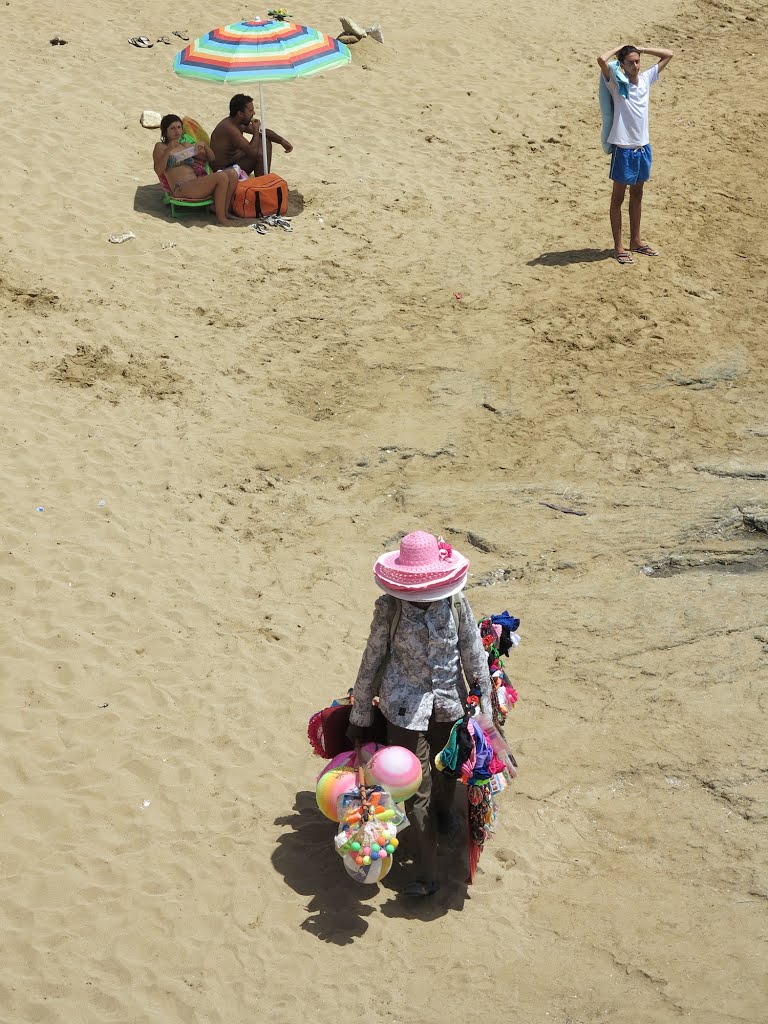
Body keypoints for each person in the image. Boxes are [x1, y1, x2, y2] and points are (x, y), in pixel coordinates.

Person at [346, 531, 493, 897]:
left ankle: (443, 824)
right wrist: (360, 712)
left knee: (445, 777)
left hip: (449, 709)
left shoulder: (458, 605)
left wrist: (485, 715)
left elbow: (474, 655)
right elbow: (373, 658)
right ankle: (428, 874)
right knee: (416, 791)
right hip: (403, 713)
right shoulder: (389, 608)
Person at [597, 43, 673, 264]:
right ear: (621, 65)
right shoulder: (615, 82)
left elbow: (669, 54)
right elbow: (601, 59)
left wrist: (641, 49)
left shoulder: (647, 79)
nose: (635, 65)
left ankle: (636, 242)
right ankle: (619, 246)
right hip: (623, 149)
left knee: (637, 194)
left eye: (637, 61)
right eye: (630, 62)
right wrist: (619, 48)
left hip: (643, 147)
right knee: (617, 199)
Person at [153, 114, 239, 226]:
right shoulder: (160, 147)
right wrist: (168, 149)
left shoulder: (186, 145)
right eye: (172, 128)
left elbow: (211, 158)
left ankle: (225, 211)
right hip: (181, 187)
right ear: (165, 131)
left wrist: (204, 146)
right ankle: (221, 218)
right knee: (221, 177)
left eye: (179, 127)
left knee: (232, 173)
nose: (177, 131)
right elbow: (159, 170)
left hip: (195, 184)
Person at [210, 94, 293, 177]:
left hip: (235, 161)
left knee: (265, 142)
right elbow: (252, 152)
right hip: (224, 171)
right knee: (259, 152)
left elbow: (263, 132)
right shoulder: (230, 128)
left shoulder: (239, 122)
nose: (254, 113)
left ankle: (263, 179)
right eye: (250, 111)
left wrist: (282, 141)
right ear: (240, 114)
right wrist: (256, 130)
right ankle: (262, 182)